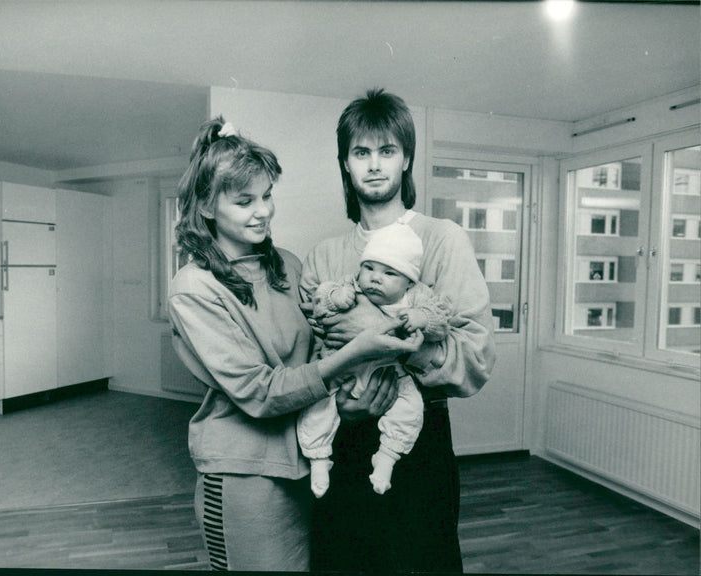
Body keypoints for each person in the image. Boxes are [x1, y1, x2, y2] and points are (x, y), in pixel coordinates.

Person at [167, 116, 423, 572]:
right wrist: (355, 354)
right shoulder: (193, 288)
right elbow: (260, 392)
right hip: (246, 474)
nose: (263, 211)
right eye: (244, 201)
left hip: (310, 460)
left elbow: (319, 347)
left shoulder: (284, 263)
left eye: (267, 196)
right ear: (207, 206)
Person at [300, 89, 496, 573]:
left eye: (387, 151)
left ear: (406, 159)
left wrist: (381, 331)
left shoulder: (441, 239)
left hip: (419, 442)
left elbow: (475, 361)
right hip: (339, 442)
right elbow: (307, 366)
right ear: (345, 163)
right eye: (361, 152)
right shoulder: (323, 257)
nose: (374, 165)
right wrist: (341, 400)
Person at [297, 222, 451, 497]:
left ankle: (387, 457)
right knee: (317, 406)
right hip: (343, 366)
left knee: (411, 407)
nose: (374, 278)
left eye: (389, 272)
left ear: (408, 280)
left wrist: (421, 318)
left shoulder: (417, 297)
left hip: (388, 371)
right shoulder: (350, 285)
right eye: (369, 267)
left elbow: (441, 323)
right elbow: (319, 303)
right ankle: (319, 458)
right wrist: (335, 298)